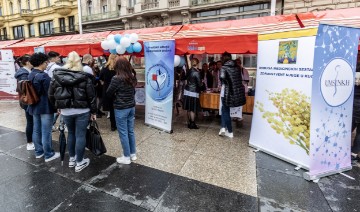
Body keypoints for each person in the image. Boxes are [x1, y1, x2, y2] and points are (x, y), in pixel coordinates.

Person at [48, 51, 97, 172]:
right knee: (80, 135)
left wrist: (57, 106)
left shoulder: (57, 76)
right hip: (82, 110)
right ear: (79, 61)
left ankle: (72, 159)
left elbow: (50, 94)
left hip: (66, 111)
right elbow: (91, 96)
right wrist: (94, 112)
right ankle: (80, 162)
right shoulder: (84, 76)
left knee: (71, 134)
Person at [27, 53, 59, 162]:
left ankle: (39, 152)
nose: (47, 64)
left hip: (34, 106)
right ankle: (49, 154)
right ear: (41, 63)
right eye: (46, 62)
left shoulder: (31, 74)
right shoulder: (44, 76)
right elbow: (51, 93)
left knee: (36, 130)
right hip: (45, 107)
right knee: (46, 131)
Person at [106, 57, 137, 165]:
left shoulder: (116, 78)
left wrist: (116, 96)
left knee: (123, 132)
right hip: (131, 107)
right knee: (130, 131)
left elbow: (108, 93)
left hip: (121, 108)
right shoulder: (132, 76)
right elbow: (133, 92)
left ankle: (126, 157)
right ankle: (133, 154)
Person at [218, 52, 246, 138]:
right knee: (224, 110)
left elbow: (222, 78)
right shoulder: (237, 67)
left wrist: (226, 81)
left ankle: (229, 131)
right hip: (234, 93)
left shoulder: (223, 68)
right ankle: (223, 128)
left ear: (223, 59)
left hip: (226, 92)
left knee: (225, 111)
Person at [14, 54, 35, 151]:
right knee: (30, 122)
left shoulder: (25, 71)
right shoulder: (23, 74)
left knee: (32, 122)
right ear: (27, 62)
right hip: (27, 101)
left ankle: (31, 141)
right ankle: (29, 143)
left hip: (26, 101)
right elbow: (26, 89)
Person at [183, 58, 203, 129]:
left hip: (187, 91)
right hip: (193, 92)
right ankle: (192, 123)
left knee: (188, 107)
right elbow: (199, 84)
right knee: (192, 108)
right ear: (197, 63)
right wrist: (202, 83)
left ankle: (189, 122)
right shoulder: (197, 72)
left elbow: (185, 78)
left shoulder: (188, 71)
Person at [100, 54, 117, 131]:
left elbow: (99, 77)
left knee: (111, 108)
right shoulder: (118, 68)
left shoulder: (104, 68)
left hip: (107, 89)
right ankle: (117, 124)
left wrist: (103, 82)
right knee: (117, 108)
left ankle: (113, 125)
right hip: (116, 89)